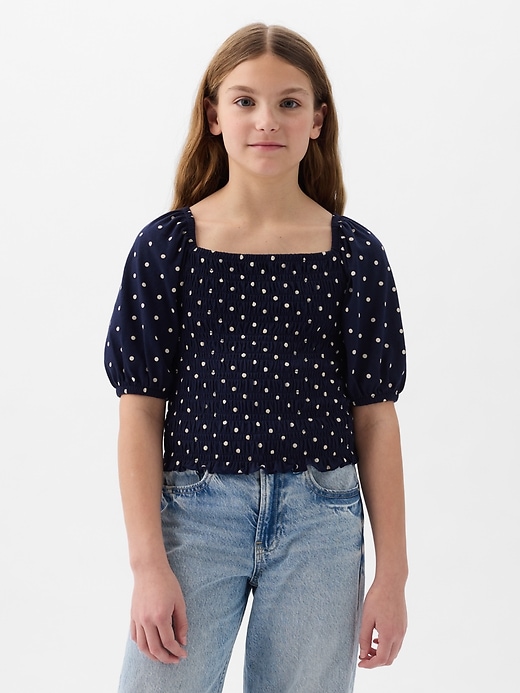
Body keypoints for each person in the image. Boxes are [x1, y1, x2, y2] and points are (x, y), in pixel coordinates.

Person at [104, 22, 408, 693]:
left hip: (320, 521)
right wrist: (148, 566)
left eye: (289, 102)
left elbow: (376, 417)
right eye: (244, 101)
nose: (266, 119)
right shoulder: (168, 248)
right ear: (214, 115)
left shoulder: (354, 254)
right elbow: (140, 413)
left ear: (317, 120)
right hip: (196, 515)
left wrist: (392, 576)